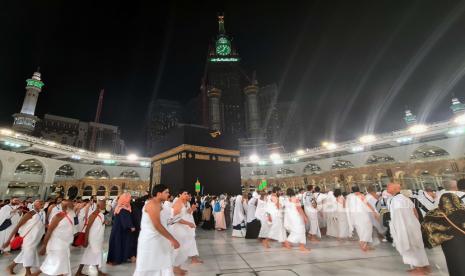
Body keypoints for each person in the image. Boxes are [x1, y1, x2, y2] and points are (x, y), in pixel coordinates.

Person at [134, 184, 180, 276]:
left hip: (160, 242)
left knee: (163, 266)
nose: (168, 194)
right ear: (159, 193)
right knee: (147, 268)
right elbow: (157, 225)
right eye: (166, 192)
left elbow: (165, 221)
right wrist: (172, 239)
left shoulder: (160, 204)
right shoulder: (152, 204)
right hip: (150, 243)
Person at [388, 183, 430, 274]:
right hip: (412, 226)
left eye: (389, 187)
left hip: (405, 228)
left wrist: (400, 230)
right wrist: (416, 224)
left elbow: (399, 218)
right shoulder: (403, 198)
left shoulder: (397, 200)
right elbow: (415, 212)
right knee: (415, 246)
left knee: (412, 246)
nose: (387, 188)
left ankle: (420, 270)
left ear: (395, 189)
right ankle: (420, 267)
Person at [422, 193, 465, 276]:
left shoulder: (434, 215)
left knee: (454, 263)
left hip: (449, 245)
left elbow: (426, 229)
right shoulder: (463, 211)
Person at [3, 200, 45, 276]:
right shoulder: (30, 214)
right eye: (40, 203)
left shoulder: (42, 213)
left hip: (35, 239)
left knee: (25, 253)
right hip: (28, 239)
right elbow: (17, 226)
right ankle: (28, 273)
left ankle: (10, 267)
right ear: (34, 205)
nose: (42, 204)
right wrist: (8, 240)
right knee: (28, 254)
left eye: (43, 203)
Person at [34, 199, 75, 276]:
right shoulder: (58, 216)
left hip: (65, 244)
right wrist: (44, 246)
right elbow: (49, 231)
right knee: (58, 264)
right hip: (57, 244)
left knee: (55, 262)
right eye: (70, 205)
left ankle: (36, 274)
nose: (72, 206)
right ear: (65, 207)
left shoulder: (72, 214)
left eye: (71, 205)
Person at [76, 200, 107, 276]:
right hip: (92, 239)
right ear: (99, 206)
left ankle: (96, 271)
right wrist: (86, 240)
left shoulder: (101, 214)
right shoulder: (93, 215)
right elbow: (88, 228)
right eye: (104, 204)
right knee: (93, 254)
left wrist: (103, 223)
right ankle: (79, 272)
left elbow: (98, 225)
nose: (105, 206)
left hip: (98, 238)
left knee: (94, 254)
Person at [169, 191, 196, 275]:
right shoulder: (178, 203)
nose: (187, 195)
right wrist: (189, 223)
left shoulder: (185, 203)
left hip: (183, 228)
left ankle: (178, 267)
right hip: (177, 229)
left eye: (187, 194)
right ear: (180, 194)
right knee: (178, 249)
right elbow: (174, 218)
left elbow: (187, 212)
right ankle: (174, 268)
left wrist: (192, 209)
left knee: (184, 248)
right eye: (185, 194)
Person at [107, 192, 137, 265]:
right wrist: (131, 226)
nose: (129, 200)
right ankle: (116, 259)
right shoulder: (123, 208)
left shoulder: (121, 207)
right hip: (120, 231)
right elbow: (125, 219)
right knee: (118, 244)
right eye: (128, 198)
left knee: (120, 243)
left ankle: (121, 258)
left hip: (119, 230)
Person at [346, 186, 375, 251]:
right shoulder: (361, 195)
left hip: (354, 216)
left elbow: (347, 207)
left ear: (352, 190)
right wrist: (373, 211)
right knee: (368, 227)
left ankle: (364, 246)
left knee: (360, 229)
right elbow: (367, 204)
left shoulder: (349, 197)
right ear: (359, 189)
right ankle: (363, 243)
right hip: (362, 214)